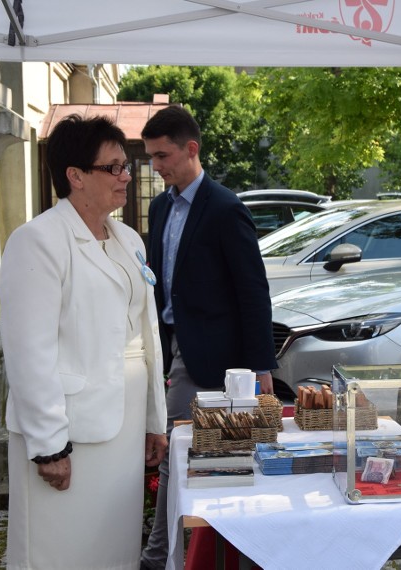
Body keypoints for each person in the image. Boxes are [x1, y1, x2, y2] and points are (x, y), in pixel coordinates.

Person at [0, 114, 168, 570]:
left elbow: (146, 335)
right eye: (113, 167)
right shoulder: (38, 240)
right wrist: (50, 444)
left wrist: (155, 419)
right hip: (70, 431)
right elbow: (28, 351)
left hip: (125, 427)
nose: (126, 176)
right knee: (60, 551)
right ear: (75, 176)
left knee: (112, 550)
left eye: (125, 166)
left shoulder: (128, 237)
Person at [139, 105, 278, 570]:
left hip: (213, 360)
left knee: (186, 460)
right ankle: (174, 554)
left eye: (162, 156)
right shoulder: (159, 207)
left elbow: (253, 292)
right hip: (168, 348)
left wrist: (262, 367)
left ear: (190, 149)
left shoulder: (224, 207)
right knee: (183, 459)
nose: (155, 166)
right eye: (151, 157)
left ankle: (160, 557)